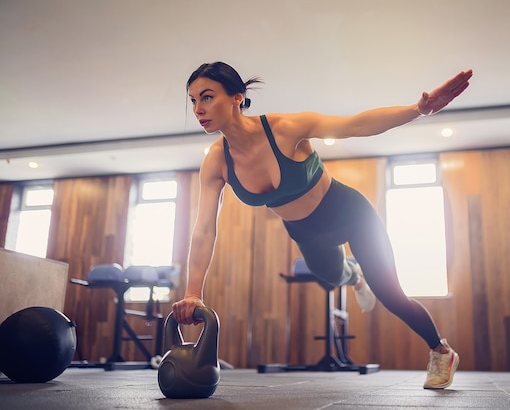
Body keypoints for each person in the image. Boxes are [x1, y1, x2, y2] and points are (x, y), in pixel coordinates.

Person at [173, 61, 473, 389]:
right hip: (305, 232)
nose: (198, 109)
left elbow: (356, 125)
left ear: (236, 98)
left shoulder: (286, 128)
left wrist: (417, 109)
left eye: (206, 97)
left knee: (392, 296)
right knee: (329, 276)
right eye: (192, 101)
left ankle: (441, 350)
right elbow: (204, 229)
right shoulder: (216, 162)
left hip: (352, 214)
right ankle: (355, 277)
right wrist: (192, 293)